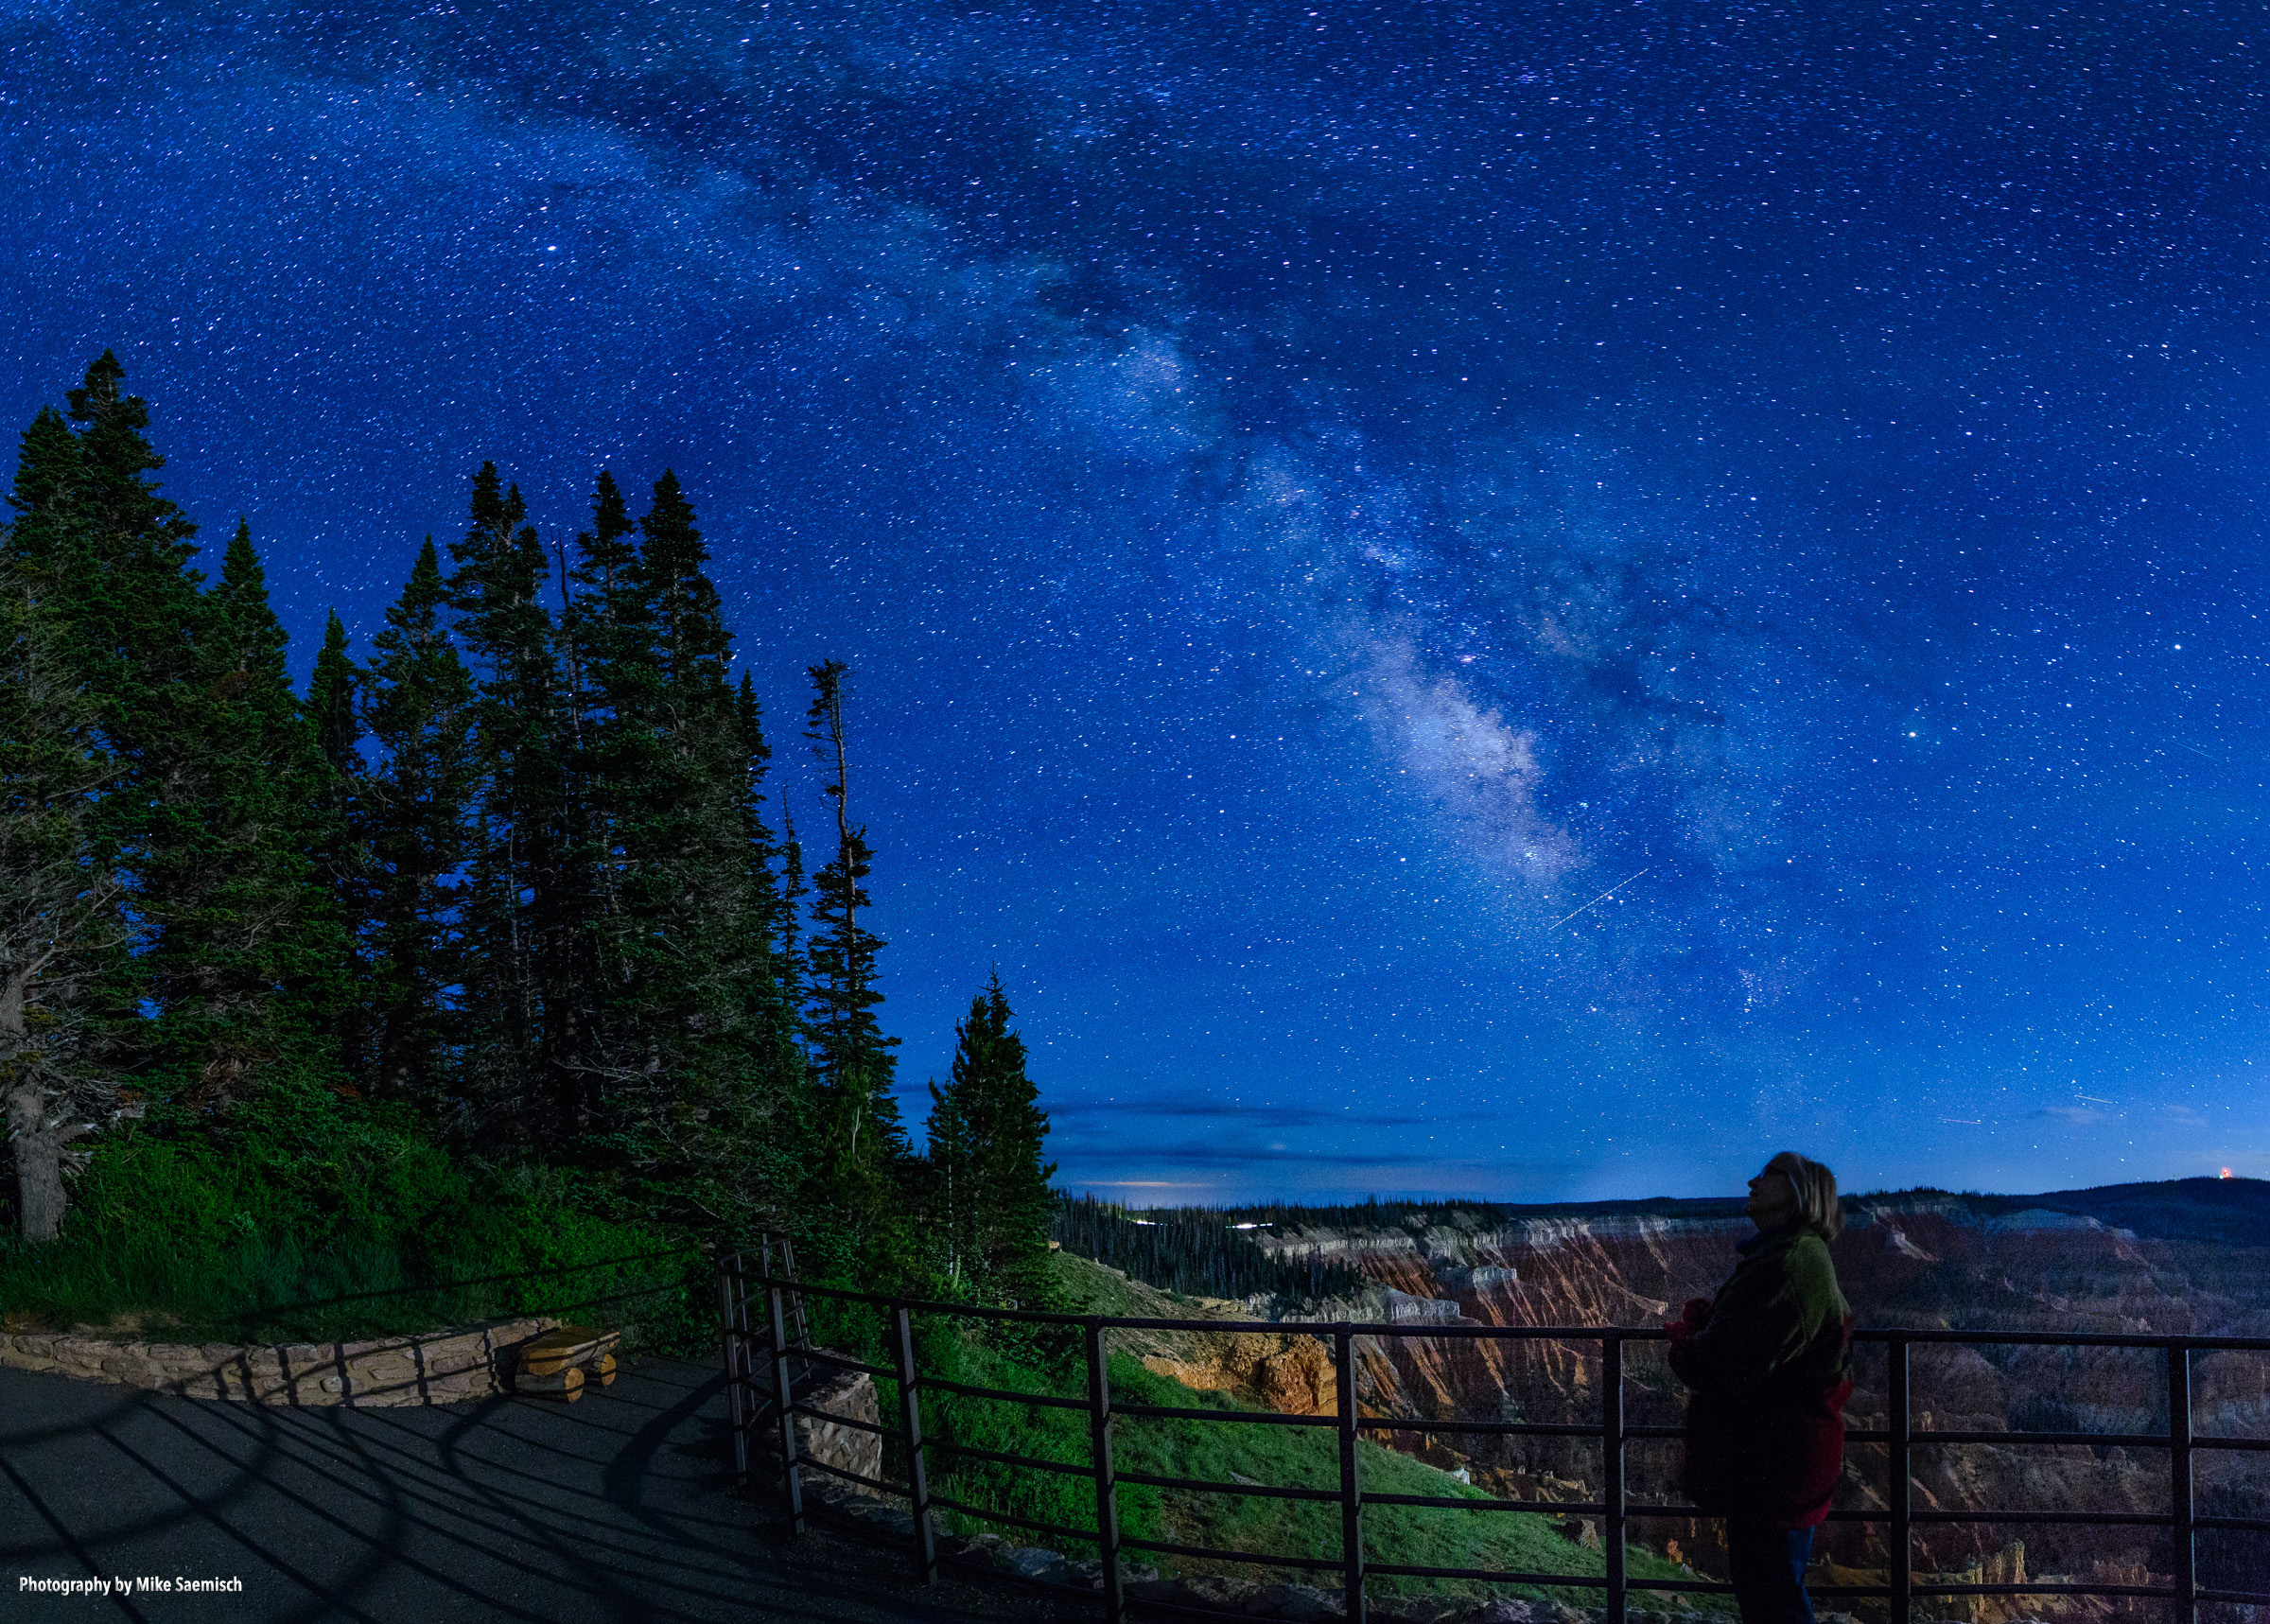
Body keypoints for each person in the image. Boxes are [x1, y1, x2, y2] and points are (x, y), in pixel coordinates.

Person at [1666, 1152, 1854, 1624]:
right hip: (1775, 1463)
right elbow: (1760, 1338)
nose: (1752, 1181)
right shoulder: (1791, 1253)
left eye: (1766, 1174)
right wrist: (1718, 1322)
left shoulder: (1790, 1262)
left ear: (1796, 1191)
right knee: (1770, 1590)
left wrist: (1686, 1342)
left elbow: (1723, 1366)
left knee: (1773, 1600)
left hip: (1776, 1468)